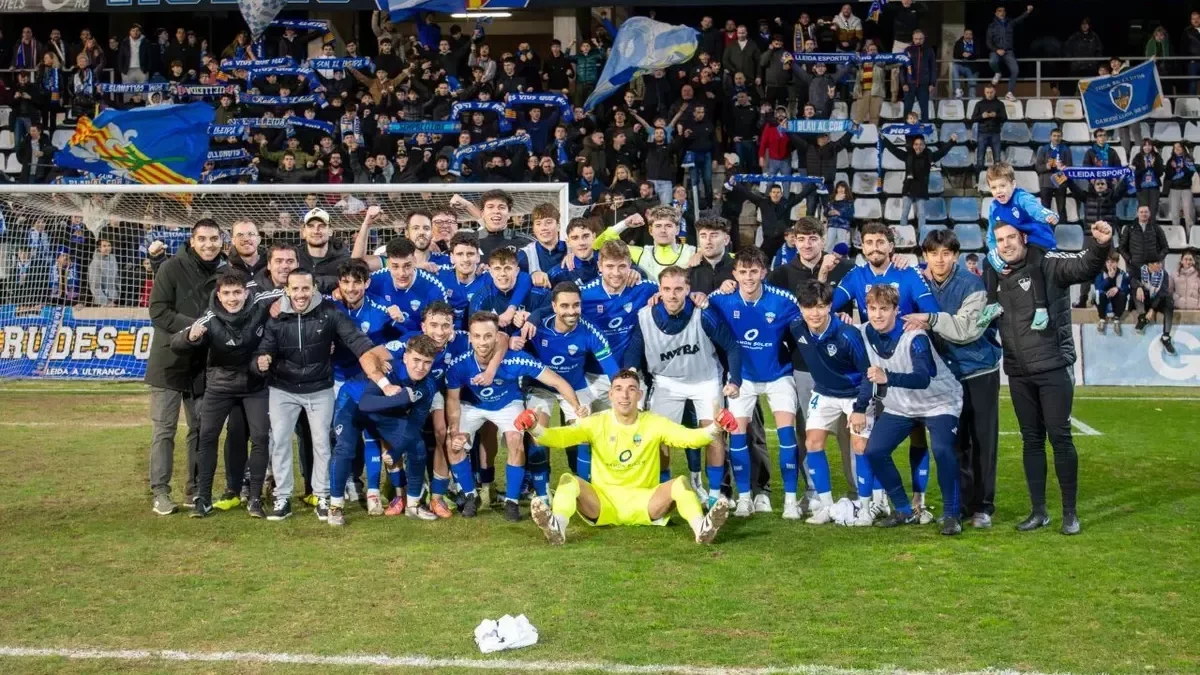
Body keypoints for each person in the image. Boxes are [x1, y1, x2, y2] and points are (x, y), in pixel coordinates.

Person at [986, 219, 1114, 535]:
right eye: (1000, 240)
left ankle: (1070, 513)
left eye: (1011, 237)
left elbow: (1084, 267)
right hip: (1017, 372)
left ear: (1024, 238)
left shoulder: (1049, 263)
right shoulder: (996, 275)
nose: (1006, 244)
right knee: (1031, 441)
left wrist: (1099, 246)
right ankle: (1038, 512)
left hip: (1053, 367)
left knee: (1060, 438)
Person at [519, 370, 739, 545]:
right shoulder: (596, 422)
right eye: (619, 389)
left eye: (631, 389)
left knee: (680, 484)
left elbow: (690, 438)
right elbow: (560, 437)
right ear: (610, 395)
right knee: (568, 480)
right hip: (602, 503)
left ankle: (702, 528)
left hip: (645, 503)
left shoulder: (654, 422)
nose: (624, 395)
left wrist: (715, 428)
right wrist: (535, 428)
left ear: (639, 395)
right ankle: (557, 527)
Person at [254, 269, 380, 522]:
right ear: (287, 290)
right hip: (283, 388)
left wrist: (374, 357)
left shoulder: (330, 313)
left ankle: (322, 495)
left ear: (313, 290)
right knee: (279, 442)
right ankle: (283, 497)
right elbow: (265, 347)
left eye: (305, 288)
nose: (300, 294)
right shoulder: (275, 317)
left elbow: (355, 338)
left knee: (322, 443)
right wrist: (262, 360)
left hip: (320, 387)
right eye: (295, 289)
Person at [903, 230, 1003, 528]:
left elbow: (967, 330)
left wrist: (931, 319)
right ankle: (958, 504)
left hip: (978, 371)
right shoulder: (919, 282)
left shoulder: (972, 284)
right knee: (954, 441)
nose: (940, 259)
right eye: (934, 253)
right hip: (945, 376)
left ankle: (983, 506)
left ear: (956, 256)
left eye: (946, 253)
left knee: (982, 440)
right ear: (925, 256)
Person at [445, 311, 584, 522]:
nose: (482, 342)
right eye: (477, 337)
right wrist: (454, 430)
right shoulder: (459, 364)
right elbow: (453, 400)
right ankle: (470, 495)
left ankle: (511, 501)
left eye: (488, 336)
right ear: (470, 338)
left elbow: (556, 381)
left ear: (497, 336)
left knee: (515, 440)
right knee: (453, 443)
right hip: (472, 406)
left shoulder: (516, 359)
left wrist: (576, 406)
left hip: (507, 404)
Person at [626, 266, 743, 504]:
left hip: (705, 379)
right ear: (659, 290)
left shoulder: (704, 313)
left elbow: (732, 346)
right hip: (667, 382)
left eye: (678, 289)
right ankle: (662, 490)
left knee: (713, 435)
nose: (672, 295)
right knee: (658, 436)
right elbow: (634, 351)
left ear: (688, 290)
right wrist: (629, 377)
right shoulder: (646, 316)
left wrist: (735, 381)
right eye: (667, 289)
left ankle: (714, 496)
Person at [169, 269, 279, 518]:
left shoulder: (261, 303)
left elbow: (291, 289)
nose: (232, 298)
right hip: (219, 387)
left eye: (237, 292)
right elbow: (176, 342)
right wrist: (189, 336)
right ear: (218, 295)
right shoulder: (209, 317)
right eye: (227, 293)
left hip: (254, 386)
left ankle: (254, 499)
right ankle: (204, 499)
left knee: (260, 438)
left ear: (246, 292)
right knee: (206, 437)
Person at [860, 285, 964, 535]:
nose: (877, 315)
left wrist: (888, 377)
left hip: (939, 400)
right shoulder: (863, 332)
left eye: (884, 309)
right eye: (872, 309)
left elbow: (922, 378)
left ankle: (951, 514)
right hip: (902, 403)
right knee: (874, 451)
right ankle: (904, 510)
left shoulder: (915, 337)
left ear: (897, 310)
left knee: (942, 449)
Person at [708, 247, 803, 519]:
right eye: (743, 272)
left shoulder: (783, 300)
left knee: (786, 436)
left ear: (763, 272)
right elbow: (697, 304)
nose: (748, 277)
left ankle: (790, 502)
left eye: (753, 271)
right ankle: (745, 499)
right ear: (735, 273)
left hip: (778, 375)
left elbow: (809, 317)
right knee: (736, 436)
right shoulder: (723, 299)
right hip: (742, 379)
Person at [145, 219, 227, 516]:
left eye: (214, 238)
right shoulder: (170, 268)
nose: (209, 244)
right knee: (164, 430)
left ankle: (195, 489)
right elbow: (158, 312)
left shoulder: (226, 273)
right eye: (202, 239)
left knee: (201, 429)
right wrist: (193, 327)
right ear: (192, 241)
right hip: (168, 362)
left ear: (222, 241)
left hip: (204, 364)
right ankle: (160, 492)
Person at [789, 280, 879, 525]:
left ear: (829, 306)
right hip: (824, 393)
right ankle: (826, 507)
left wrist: (860, 409)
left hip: (854, 394)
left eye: (820, 306)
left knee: (860, 447)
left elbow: (867, 375)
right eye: (809, 307)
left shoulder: (847, 335)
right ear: (800, 307)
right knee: (813, 443)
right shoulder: (797, 327)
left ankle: (868, 507)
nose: (814, 313)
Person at [513, 281, 620, 487]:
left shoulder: (590, 331)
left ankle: (585, 487)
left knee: (583, 433)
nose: (571, 311)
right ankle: (542, 490)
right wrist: (511, 340)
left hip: (575, 386)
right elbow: (511, 344)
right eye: (565, 306)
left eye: (576, 305)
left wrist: (621, 391)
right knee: (538, 434)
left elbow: (612, 370)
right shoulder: (536, 327)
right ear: (554, 306)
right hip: (541, 387)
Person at [334, 334, 444, 526]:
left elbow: (415, 424)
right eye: (416, 360)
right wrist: (402, 398)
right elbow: (366, 404)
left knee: (417, 445)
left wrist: (395, 451)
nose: (420, 367)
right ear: (405, 357)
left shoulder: (428, 386)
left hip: (383, 413)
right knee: (345, 448)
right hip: (353, 403)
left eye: (427, 362)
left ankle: (413, 505)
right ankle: (335, 507)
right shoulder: (390, 369)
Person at [979, 162, 1059, 331]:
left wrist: (1048, 215)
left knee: (1032, 262)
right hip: (1017, 242)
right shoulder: (994, 207)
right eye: (994, 187)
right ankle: (992, 303)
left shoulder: (1021, 197)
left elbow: (1036, 209)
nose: (999, 191)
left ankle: (1041, 309)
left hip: (1038, 240)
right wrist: (995, 258)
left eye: (1003, 185)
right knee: (987, 262)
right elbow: (992, 236)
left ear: (1013, 184)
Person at [880, 131, 956, 228]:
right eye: (916, 144)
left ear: (924, 146)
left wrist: (952, 142)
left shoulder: (929, 157)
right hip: (909, 187)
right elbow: (894, 150)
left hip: (921, 189)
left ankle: (922, 234)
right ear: (913, 145)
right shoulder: (908, 156)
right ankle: (903, 232)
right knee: (905, 212)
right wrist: (884, 139)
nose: (918, 147)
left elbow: (942, 152)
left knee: (921, 213)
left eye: (921, 144)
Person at [986, 4, 1032, 99]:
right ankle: (998, 73)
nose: (1001, 13)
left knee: (1015, 70)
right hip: (996, 51)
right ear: (995, 13)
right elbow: (988, 42)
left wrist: (1027, 12)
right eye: (999, 11)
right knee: (992, 61)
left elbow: (1019, 19)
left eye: (1003, 11)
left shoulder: (1010, 23)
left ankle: (1009, 92)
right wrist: (996, 50)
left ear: (1005, 13)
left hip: (1008, 51)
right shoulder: (992, 26)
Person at [1133, 258, 1176, 354]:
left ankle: (1165, 337)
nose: (1160, 265)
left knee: (1169, 301)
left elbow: (1162, 293)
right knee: (1136, 290)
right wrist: (1138, 286)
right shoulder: (1140, 269)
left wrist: (1152, 309)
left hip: (1157, 300)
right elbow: (1133, 280)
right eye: (1157, 263)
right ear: (1149, 264)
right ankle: (1143, 318)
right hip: (1145, 299)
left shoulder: (1163, 274)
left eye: (1160, 263)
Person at [1034, 128, 1072, 216]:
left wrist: (1063, 167)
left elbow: (1069, 167)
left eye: (1059, 136)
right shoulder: (1044, 149)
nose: (1056, 138)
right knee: (1045, 209)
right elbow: (1038, 167)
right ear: (1050, 137)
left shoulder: (1066, 150)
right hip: (1046, 182)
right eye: (1054, 136)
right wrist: (1046, 166)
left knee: (1061, 208)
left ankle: (1063, 227)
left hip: (1060, 181)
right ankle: (1045, 229)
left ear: (1061, 137)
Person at [971, 84, 1006, 171]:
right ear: (984, 92)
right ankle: (978, 182)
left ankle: (997, 181)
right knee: (980, 160)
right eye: (987, 92)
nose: (989, 94)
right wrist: (982, 116)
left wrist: (996, 115)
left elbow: (1005, 118)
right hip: (982, 134)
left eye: (991, 92)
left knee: (997, 160)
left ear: (995, 92)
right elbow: (973, 118)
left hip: (995, 133)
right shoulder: (979, 104)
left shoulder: (1000, 104)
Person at [1093, 252, 1129, 335]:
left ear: (1117, 263)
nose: (1109, 264)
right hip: (1104, 301)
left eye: (1112, 262)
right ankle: (1102, 319)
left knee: (1122, 294)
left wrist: (1118, 289)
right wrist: (1109, 279)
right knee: (1100, 293)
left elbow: (1127, 289)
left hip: (1116, 301)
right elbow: (1098, 288)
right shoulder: (1101, 274)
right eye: (1107, 262)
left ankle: (1116, 320)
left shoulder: (1122, 274)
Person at [1164, 143, 1196, 228]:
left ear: (1183, 148)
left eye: (1179, 147)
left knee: (1188, 215)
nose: (1177, 149)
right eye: (1175, 148)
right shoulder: (1170, 161)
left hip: (1186, 189)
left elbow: (1190, 174)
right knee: (1175, 214)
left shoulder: (1189, 160)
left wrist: (1183, 167)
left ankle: (1190, 237)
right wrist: (1174, 168)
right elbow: (1168, 176)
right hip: (1174, 189)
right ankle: (1177, 236)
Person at [1131, 139, 1164, 219]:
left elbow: (1160, 172)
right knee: (1143, 211)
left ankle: (1152, 229)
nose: (1147, 147)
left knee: (1153, 210)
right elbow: (1135, 173)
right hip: (1142, 188)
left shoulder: (1157, 156)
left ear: (1152, 146)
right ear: (1142, 147)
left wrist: (1153, 166)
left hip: (1154, 187)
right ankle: (1142, 230)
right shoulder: (1138, 157)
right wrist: (1145, 167)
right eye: (1145, 145)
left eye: (1149, 145)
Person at [88, 238, 120, 307]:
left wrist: (118, 293)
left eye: (109, 245)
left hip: (114, 299)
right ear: (99, 248)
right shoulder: (95, 263)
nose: (107, 248)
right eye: (104, 246)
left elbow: (116, 278)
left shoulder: (113, 259)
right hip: (101, 303)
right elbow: (95, 286)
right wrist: (106, 302)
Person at [951, 28, 980, 99]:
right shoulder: (958, 42)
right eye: (966, 34)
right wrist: (962, 54)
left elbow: (978, 54)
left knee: (972, 86)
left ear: (972, 36)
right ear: (964, 35)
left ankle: (972, 101)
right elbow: (955, 55)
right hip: (961, 66)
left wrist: (970, 55)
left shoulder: (976, 42)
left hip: (971, 67)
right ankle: (958, 91)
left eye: (970, 34)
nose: (968, 36)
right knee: (954, 66)